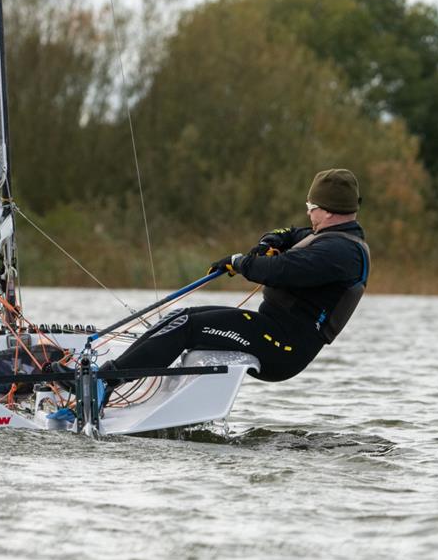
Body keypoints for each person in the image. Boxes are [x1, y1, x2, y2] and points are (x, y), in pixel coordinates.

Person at [100, 168, 370, 397]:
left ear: (329, 211)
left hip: (283, 348)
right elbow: (287, 233)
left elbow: (282, 270)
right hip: (270, 330)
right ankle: (112, 374)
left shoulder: (341, 253)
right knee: (181, 315)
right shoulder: (329, 235)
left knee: (187, 326)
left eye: (311, 208)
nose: (309, 214)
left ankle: (103, 382)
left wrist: (239, 262)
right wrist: (268, 243)